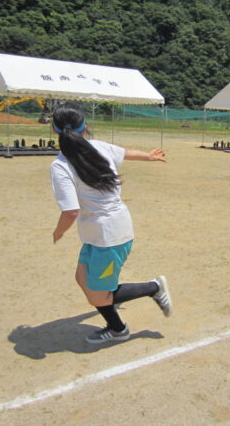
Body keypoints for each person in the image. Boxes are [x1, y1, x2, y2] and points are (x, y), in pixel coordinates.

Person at [50, 105, 172, 344]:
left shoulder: (61, 165)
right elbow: (126, 153)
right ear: (85, 126)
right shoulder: (95, 148)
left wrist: (58, 231)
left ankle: (154, 288)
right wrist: (148, 156)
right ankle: (117, 328)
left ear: (54, 130)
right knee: (83, 279)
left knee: (98, 295)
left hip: (110, 237)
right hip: (96, 234)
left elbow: (71, 211)